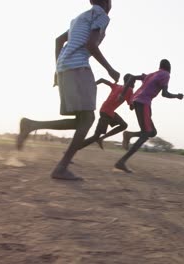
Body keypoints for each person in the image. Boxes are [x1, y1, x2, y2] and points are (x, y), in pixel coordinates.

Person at [16, 0, 120, 180]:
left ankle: (31, 125)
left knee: (81, 120)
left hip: (65, 68)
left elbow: (59, 40)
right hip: (78, 67)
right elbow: (91, 45)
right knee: (87, 119)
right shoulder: (101, 16)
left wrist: (57, 70)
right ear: (105, 2)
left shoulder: (79, 18)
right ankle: (61, 167)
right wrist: (110, 69)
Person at [114, 59, 184, 173]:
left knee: (152, 132)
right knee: (146, 134)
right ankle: (121, 162)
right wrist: (177, 96)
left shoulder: (151, 74)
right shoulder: (166, 74)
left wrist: (122, 94)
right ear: (169, 68)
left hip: (137, 101)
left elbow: (131, 77)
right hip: (144, 102)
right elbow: (165, 94)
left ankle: (129, 134)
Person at [78, 74, 138, 150]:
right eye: (133, 82)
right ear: (130, 82)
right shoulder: (129, 90)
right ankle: (73, 149)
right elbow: (131, 108)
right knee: (95, 136)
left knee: (123, 125)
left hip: (106, 111)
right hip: (107, 113)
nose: (134, 84)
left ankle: (101, 138)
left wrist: (92, 85)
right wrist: (136, 99)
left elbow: (102, 79)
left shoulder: (117, 86)